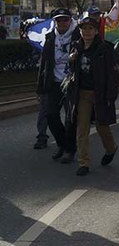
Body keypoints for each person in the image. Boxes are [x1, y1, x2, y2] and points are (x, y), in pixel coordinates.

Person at [67, 16, 119, 176]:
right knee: (82, 129)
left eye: (90, 29)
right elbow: (74, 72)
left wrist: (110, 96)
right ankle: (84, 162)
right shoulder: (76, 47)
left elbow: (112, 75)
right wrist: (71, 61)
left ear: (96, 31)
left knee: (102, 126)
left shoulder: (105, 49)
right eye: (84, 29)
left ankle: (111, 149)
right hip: (82, 93)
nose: (87, 32)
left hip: (100, 94)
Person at [35, 8, 79, 162]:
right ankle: (62, 144)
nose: (62, 23)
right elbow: (45, 64)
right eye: (58, 20)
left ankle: (70, 150)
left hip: (72, 82)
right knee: (51, 115)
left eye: (65, 20)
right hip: (54, 82)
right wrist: (40, 88)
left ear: (70, 20)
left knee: (70, 118)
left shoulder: (78, 35)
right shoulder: (50, 37)